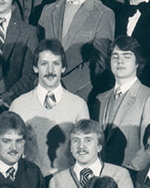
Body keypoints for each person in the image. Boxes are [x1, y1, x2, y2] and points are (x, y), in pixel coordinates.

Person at [10, 39, 91, 177]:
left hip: (66, 184)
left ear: (63, 68)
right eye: (44, 64)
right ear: (35, 68)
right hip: (30, 184)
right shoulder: (18, 105)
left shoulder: (78, 105)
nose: (50, 70)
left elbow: (86, 154)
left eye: (56, 64)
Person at [38, 0, 114, 100]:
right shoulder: (48, 11)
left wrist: (62, 86)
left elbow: (99, 60)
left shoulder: (103, 14)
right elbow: (38, 52)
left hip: (80, 94)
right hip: (45, 91)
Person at [96, 36, 150, 171]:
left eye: (127, 56)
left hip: (132, 179)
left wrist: (127, 174)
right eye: (115, 56)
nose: (120, 61)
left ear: (137, 63)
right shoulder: (101, 99)